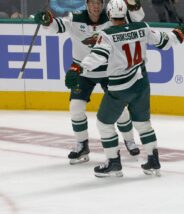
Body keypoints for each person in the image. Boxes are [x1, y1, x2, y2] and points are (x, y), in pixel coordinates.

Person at [64, 0, 184, 177]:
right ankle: (153, 162)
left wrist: (78, 69)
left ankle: (113, 162)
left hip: (120, 87)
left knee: (104, 123)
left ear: (109, 15)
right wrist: (179, 34)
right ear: (125, 13)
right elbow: (163, 41)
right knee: (143, 123)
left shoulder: (107, 35)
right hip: (142, 84)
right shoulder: (142, 28)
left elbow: (98, 56)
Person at [33, 0, 145, 165]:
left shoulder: (112, 17)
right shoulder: (75, 17)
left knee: (120, 110)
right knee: (75, 107)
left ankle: (129, 141)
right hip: (82, 70)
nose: (96, 7)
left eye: (99, 3)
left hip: (109, 70)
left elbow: (137, 18)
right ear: (86, 4)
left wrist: (134, 5)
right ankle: (82, 145)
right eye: (92, 3)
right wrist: (46, 20)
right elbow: (56, 26)